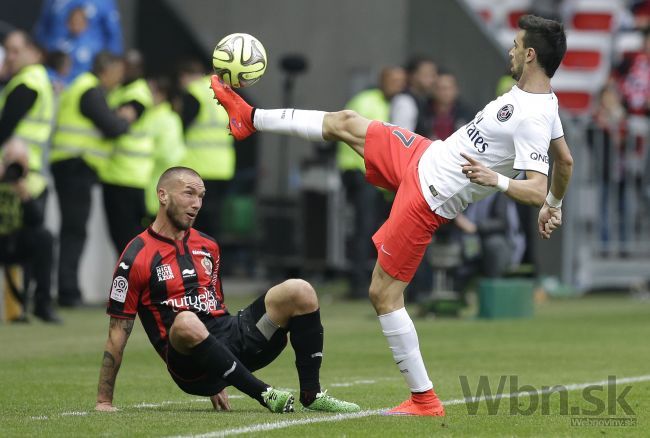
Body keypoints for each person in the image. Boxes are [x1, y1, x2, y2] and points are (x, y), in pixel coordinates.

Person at [210, 14, 573, 416]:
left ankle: (425, 399)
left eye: (517, 44)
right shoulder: (540, 100)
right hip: (423, 154)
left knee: (383, 294)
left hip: (428, 197)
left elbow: (537, 186)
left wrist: (500, 182)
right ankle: (249, 118)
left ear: (532, 55)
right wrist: (554, 208)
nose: (511, 50)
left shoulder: (534, 115)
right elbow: (566, 162)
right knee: (347, 122)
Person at [95, 166, 359, 414]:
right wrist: (104, 400)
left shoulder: (208, 245)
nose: (196, 203)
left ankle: (312, 394)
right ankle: (263, 393)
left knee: (300, 289)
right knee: (186, 320)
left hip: (230, 341)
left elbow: (216, 306)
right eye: (189, 193)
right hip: (189, 366)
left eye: (201, 196)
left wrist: (222, 368)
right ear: (162, 195)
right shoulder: (136, 256)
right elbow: (117, 333)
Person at [50, 51, 133, 307]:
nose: (118, 80)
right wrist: (125, 119)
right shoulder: (90, 90)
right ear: (105, 70)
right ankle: (68, 292)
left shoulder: (83, 88)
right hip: (76, 165)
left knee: (73, 230)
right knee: (74, 230)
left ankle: (68, 290)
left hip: (72, 166)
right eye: (117, 73)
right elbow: (113, 127)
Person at [337, 66, 405, 298]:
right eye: (393, 80)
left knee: (380, 230)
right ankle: (357, 283)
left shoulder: (398, 105)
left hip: (383, 177)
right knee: (363, 228)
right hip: (359, 172)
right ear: (381, 80)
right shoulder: (365, 101)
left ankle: (376, 280)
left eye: (400, 81)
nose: (397, 85)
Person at [99, 49, 154, 254]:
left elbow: (120, 120)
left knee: (127, 240)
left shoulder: (137, 93)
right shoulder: (120, 90)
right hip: (118, 174)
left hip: (126, 176)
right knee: (122, 239)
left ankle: (135, 283)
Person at [0, 138, 60, 323]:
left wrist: (24, 195)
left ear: (26, 161)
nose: (14, 165)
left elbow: (37, 221)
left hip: (19, 240)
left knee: (45, 237)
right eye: (10, 159)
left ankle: (42, 305)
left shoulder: (36, 183)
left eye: (19, 159)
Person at [179, 60, 235, 241]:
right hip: (222, 169)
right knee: (214, 226)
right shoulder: (229, 95)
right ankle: (211, 264)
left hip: (198, 168)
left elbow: (179, 126)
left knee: (193, 223)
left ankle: (194, 264)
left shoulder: (196, 90)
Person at [143, 76, 186, 220]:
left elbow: (169, 155)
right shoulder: (149, 115)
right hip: (148, 186)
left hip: (158, 186)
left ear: (161, 94)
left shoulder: (168, 119)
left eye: (149, 92)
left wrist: (145, 153)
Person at [390, 56, 438, 139]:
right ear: (413, 76)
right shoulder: (405, 102)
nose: (433, 79)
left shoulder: (425, 101)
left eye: (434, 75)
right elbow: (400, 140)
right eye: (427, 75)